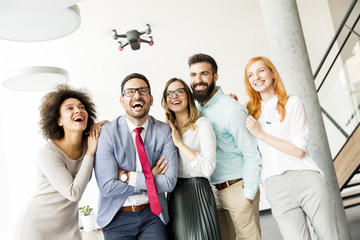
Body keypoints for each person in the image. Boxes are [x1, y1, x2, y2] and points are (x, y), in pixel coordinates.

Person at [244, 56, 339, 240]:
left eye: (261, 70)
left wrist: (261, 134)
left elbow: (298, 150)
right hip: (275, 185)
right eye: (250, 75)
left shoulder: (292, 103)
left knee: (329, 237)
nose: (256, 77)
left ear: (272, 73)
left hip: (306, 178)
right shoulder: (249, 112)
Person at [94, 73, 178, 240]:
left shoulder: (164, 131)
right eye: (130, 92)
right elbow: (107, 186)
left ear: (151, 99)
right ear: (122, 100)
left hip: (153, 215)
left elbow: (169, 183)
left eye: (142, 91)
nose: (137, 95)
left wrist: (126, 176)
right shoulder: (108, 134)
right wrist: (150, 179)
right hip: (116, 217)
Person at [188, 53, 262, 240]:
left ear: (215, 77)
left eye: (204, 74)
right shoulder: (195, 109)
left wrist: (248, 195)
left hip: (237, 188)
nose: (198, 80)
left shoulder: (232, 109)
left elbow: (252, 154)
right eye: (193, 75)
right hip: (212, 191)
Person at [17, 84, 104, 240]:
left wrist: (103, 124)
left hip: (69, 227)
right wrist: (90, 152)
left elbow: (116, 130)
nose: (78, 110)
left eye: (82, 107)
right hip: (37, 228)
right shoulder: (48, 153)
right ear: (58, 120)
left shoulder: (89, 142)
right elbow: (73, 193)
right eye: (69, 108)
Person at [161, 78, 221, 240]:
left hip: (198, 191)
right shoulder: (165, 129)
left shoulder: (202, 124)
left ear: (188, 95)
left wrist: (179, 144)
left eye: (179, 91)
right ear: (165, 100)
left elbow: (208, 167)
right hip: (176, 195)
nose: (175, 96)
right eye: (169, 93)